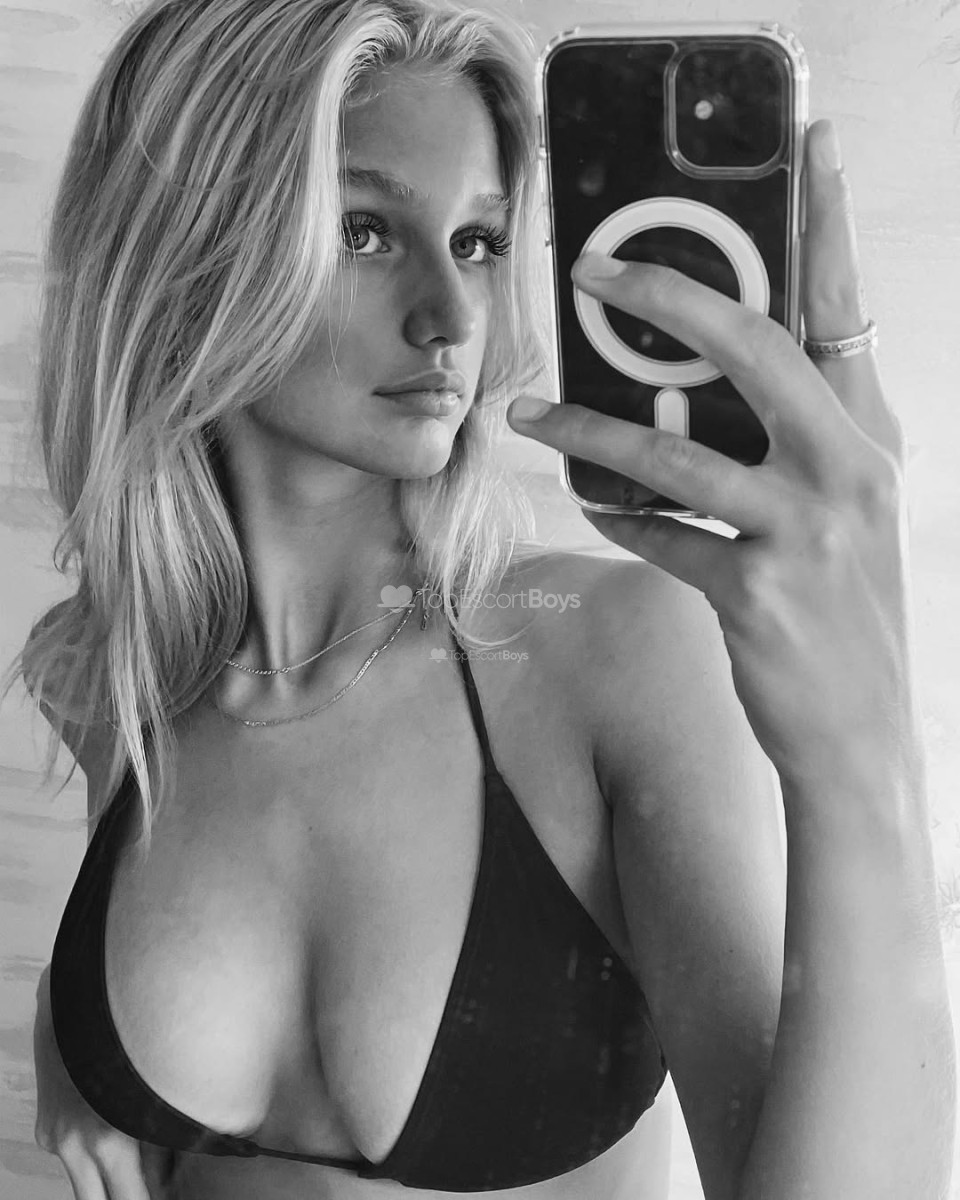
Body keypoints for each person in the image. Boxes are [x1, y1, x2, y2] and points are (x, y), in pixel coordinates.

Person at [11, 0, 954, 1198]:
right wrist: (76, 1042)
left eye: (476, 241)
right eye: (364, 230)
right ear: (181, 252)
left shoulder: (614, 658)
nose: (454, 318)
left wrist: (864, 747)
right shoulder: (109, 669)